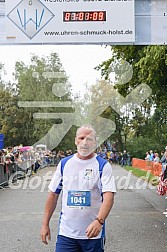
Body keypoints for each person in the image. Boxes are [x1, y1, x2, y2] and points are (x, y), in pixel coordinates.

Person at [40, 125, 116, 252]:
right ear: (76, 140)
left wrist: (99, 221)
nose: (85, 142)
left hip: (93, 235)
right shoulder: (64, 164)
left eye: (89, 139)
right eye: (81, 138)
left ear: (95, 143)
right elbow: (53, 194)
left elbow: (109, 196)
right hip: (66, 235)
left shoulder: (103, 165)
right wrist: (45, 224)